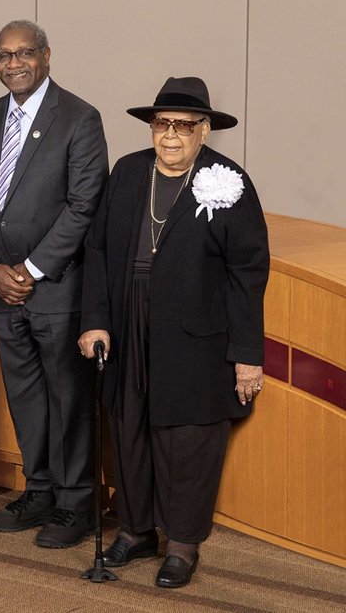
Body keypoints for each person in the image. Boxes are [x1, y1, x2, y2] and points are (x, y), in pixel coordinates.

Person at [79, 76, 268, 588]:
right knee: (130, 427)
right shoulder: (127, 171)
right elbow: (96, 249)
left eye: (184, 127)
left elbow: (248, 273)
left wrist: (248, 354)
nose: (171, 137)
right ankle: (136, 530)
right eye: (163, 125)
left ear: (204, 132)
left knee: (187, 440)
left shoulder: (229, 181)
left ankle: (182, 545)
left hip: (194, 333)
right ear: (151, 127)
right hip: (127, 318)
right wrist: (95, 319)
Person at [0, 19, 108, 548]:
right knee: (25, 397)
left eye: (23, 53)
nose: (13, 64)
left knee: (68, 397)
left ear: (47, 56)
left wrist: (32, 269)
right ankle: (40, 489)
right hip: (1, 289)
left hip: (56, 287)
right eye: (3, 55)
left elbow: (85, 204)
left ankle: (76, 502)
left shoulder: (79, 118)